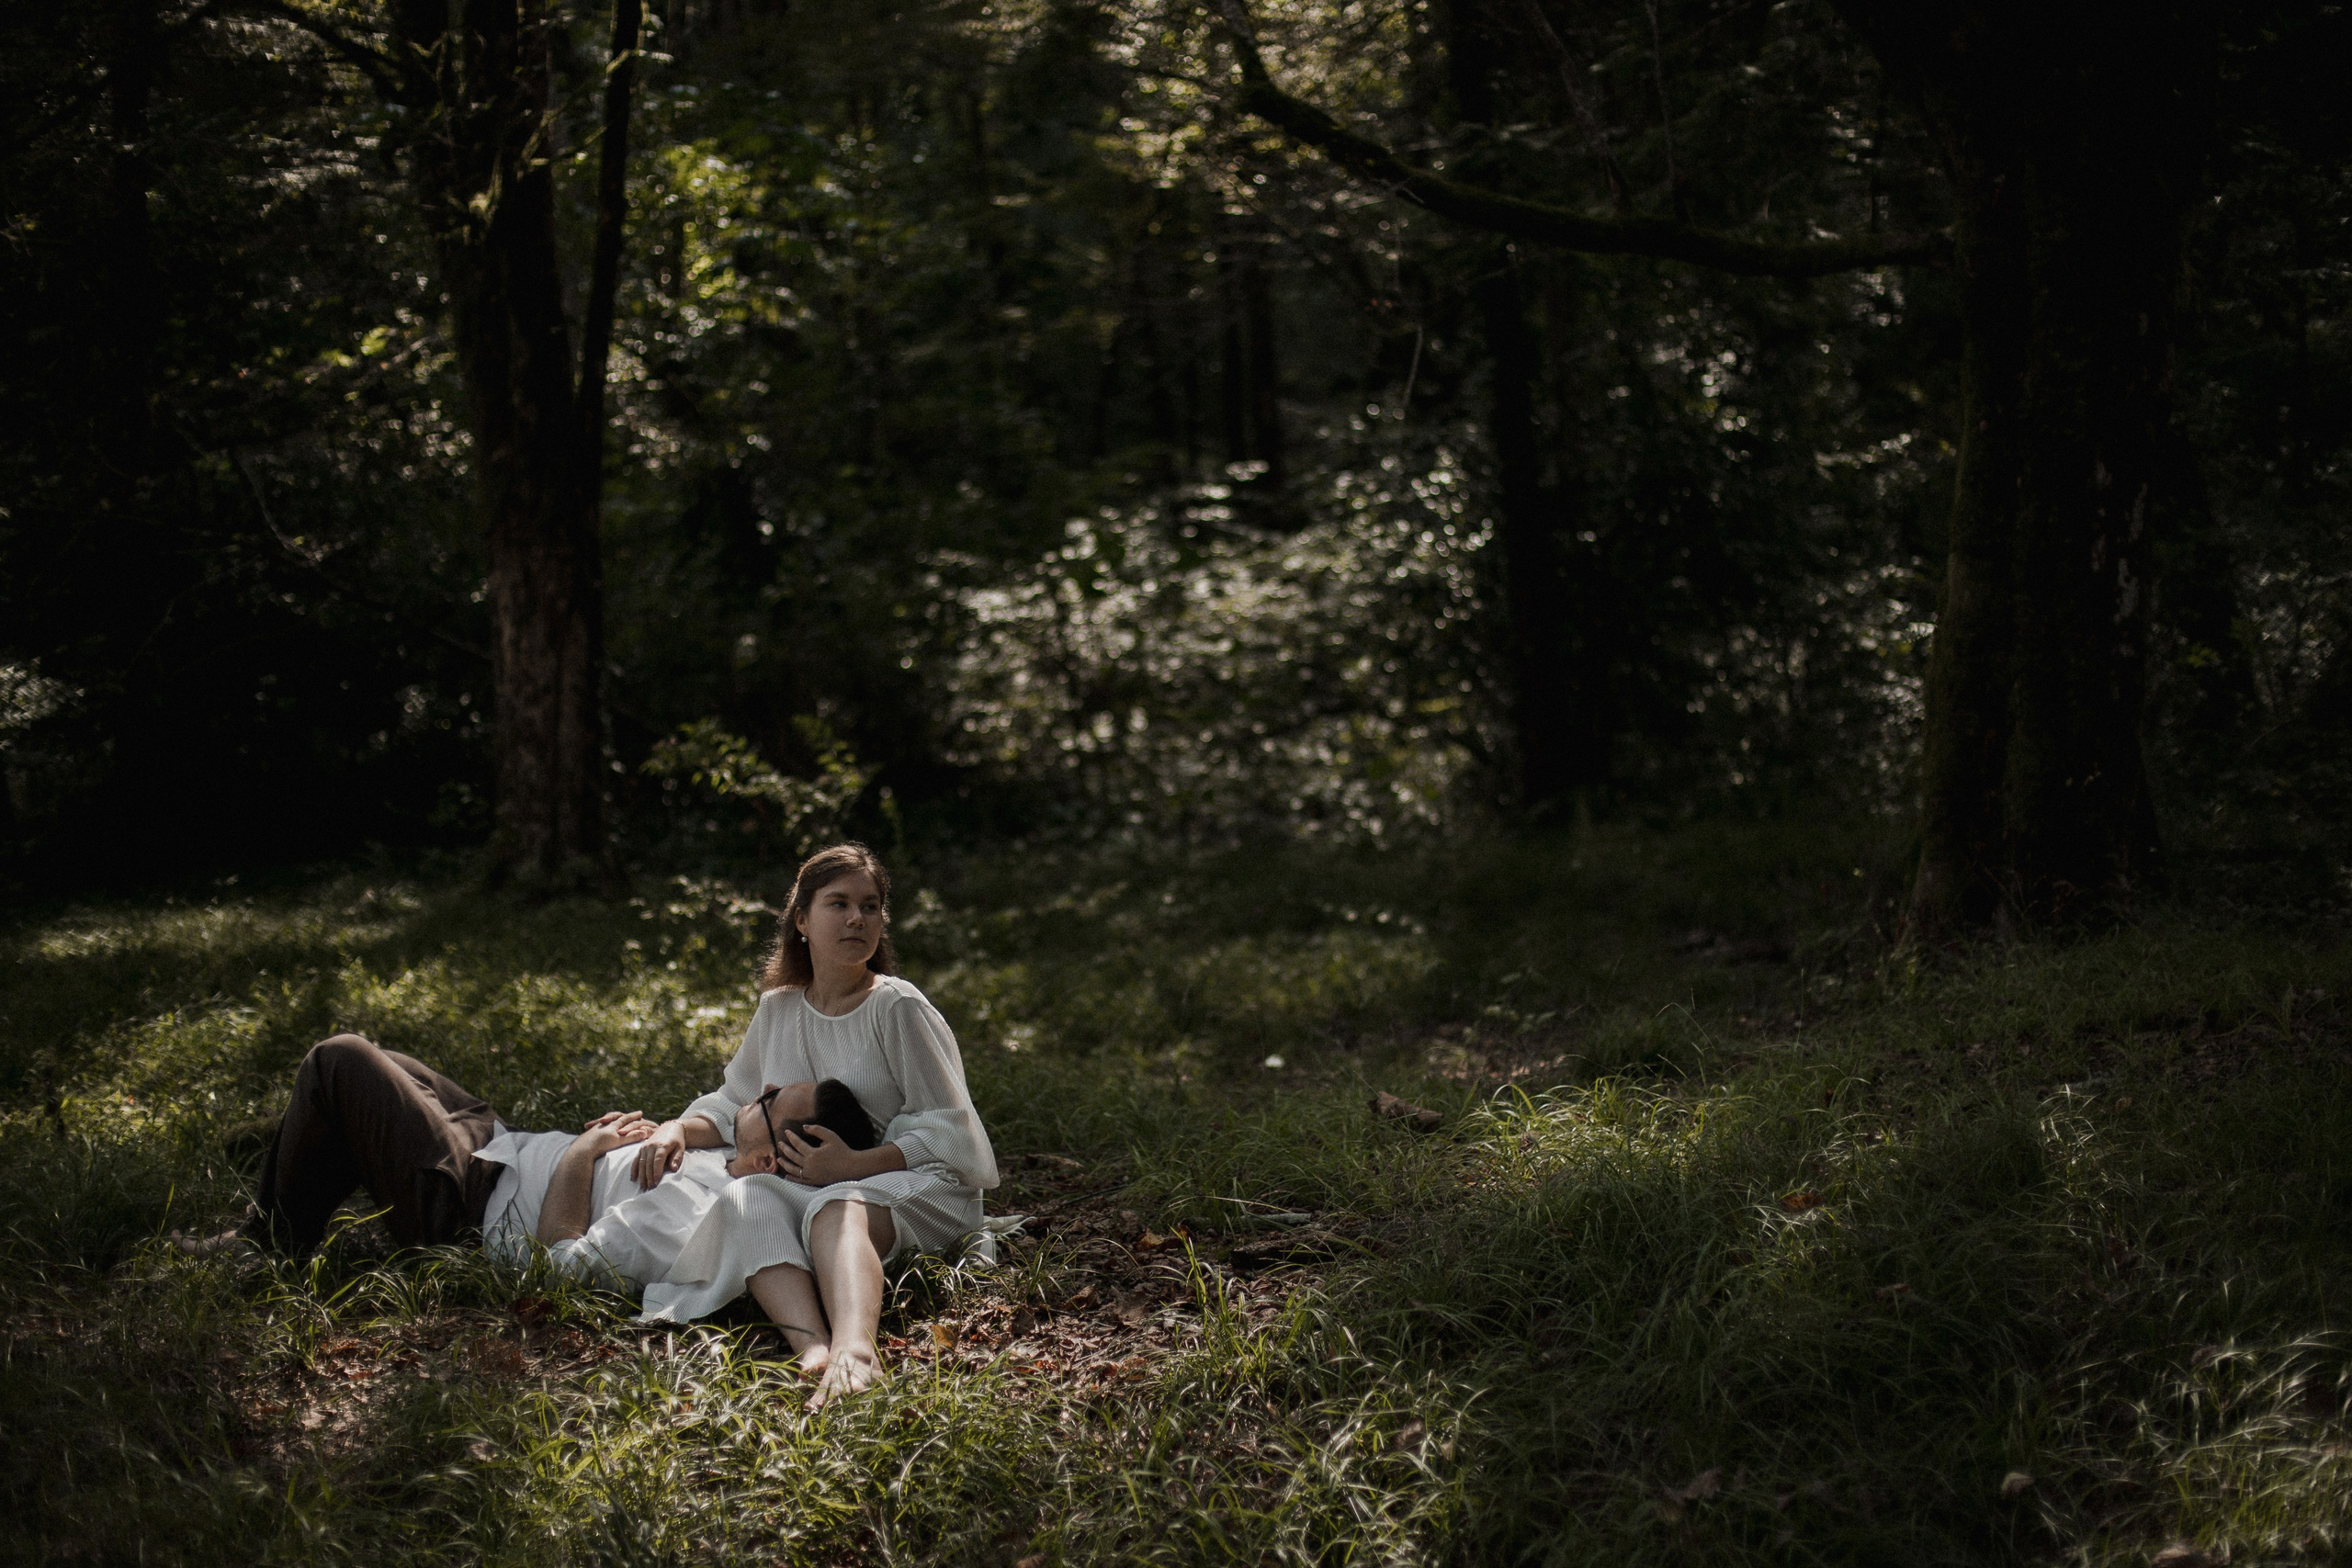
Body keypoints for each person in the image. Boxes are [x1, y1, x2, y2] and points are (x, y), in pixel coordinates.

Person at [624, 841, 1000, 1406]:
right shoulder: (779, 1008)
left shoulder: (898, 1007)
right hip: (822, 1181)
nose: (857, 919)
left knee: (837, 1204)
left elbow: (953, 1132)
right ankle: (812, 1348)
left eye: (870, 906)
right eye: (839, 904)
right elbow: (733, 1103)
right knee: (748, 1195)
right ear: (801, 920)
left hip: (922, 1182)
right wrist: (677, 1127)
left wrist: (857, 1164)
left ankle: (857, 1355)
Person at [219, 1031, 876, 1301]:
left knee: (339, 1060)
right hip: (499, 1147)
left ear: (771, 1158)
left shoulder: (689, 1214)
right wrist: (657, 1132)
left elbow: (554, 1269)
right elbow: (704, 1126)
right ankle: (300, 1150)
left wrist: (584, 1154)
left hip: (469, 1208)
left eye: (770, 1101)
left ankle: (268, 1244)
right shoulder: (727, 1160)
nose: (762, 1090)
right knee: (391, 1069)